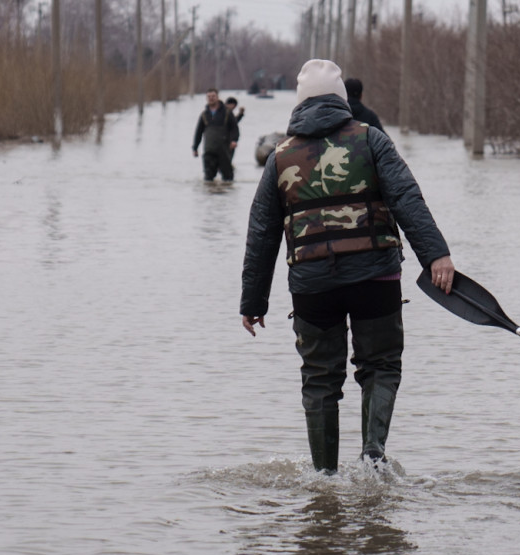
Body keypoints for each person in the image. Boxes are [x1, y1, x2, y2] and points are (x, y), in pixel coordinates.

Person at [240, 59, 455, 474]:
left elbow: (262, 234)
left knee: (320, 380)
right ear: (342, 99)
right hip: (374, 276)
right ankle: (373, 458)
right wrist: (436, 255)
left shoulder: (280, 157)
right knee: (380, 366)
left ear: (300, 104)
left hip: (312, 285)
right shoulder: (370, 139)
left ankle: (325, 478)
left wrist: (253, 300)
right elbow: (407, 198)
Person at [192, 89, 238, 181]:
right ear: (206, 98)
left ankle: (226, 193)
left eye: (213, 96)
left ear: (217, 97)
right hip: (209, 149)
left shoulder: (227, 112)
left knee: (228, 178)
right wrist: (195, 148)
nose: (211, 98)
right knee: (208, 178)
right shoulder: (204, 114)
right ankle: (210, 194)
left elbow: (234, 128)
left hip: (224, 149)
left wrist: (234, 140)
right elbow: (198, 132)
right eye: (209, 97)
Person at [224, 97, 246, 164]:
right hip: (227, 141)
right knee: (226, 159)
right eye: (234, 106)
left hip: (229, 141)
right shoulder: (225, 113)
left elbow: (234, 122)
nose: (234, 107)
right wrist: (233, 140)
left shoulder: (227, 113)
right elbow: (232, 123)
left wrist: (240, 114)